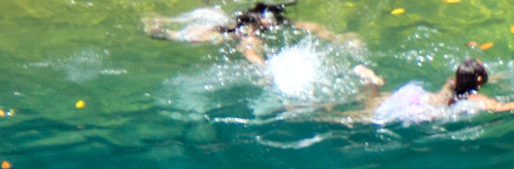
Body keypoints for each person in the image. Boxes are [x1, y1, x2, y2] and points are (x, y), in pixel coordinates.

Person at [352, 59, 514, 124]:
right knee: (361, 118)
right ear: (479, 79)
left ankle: (373, 82)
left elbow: (472, 79)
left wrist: (504, 76)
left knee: (371, 104)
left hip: (413, 96)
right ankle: (372, 83)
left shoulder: (452, 82)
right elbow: (510, 106)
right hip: (418, 111)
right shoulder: (479, 99)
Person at [143, 2, 355, 64]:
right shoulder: (247, 21)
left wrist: (337, 38)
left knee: (246, 41)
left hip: (242, 27)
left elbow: (309, 26)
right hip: (237, 27)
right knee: (242, 40)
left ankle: (263, 68)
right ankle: (168, 32)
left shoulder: (265, 19)